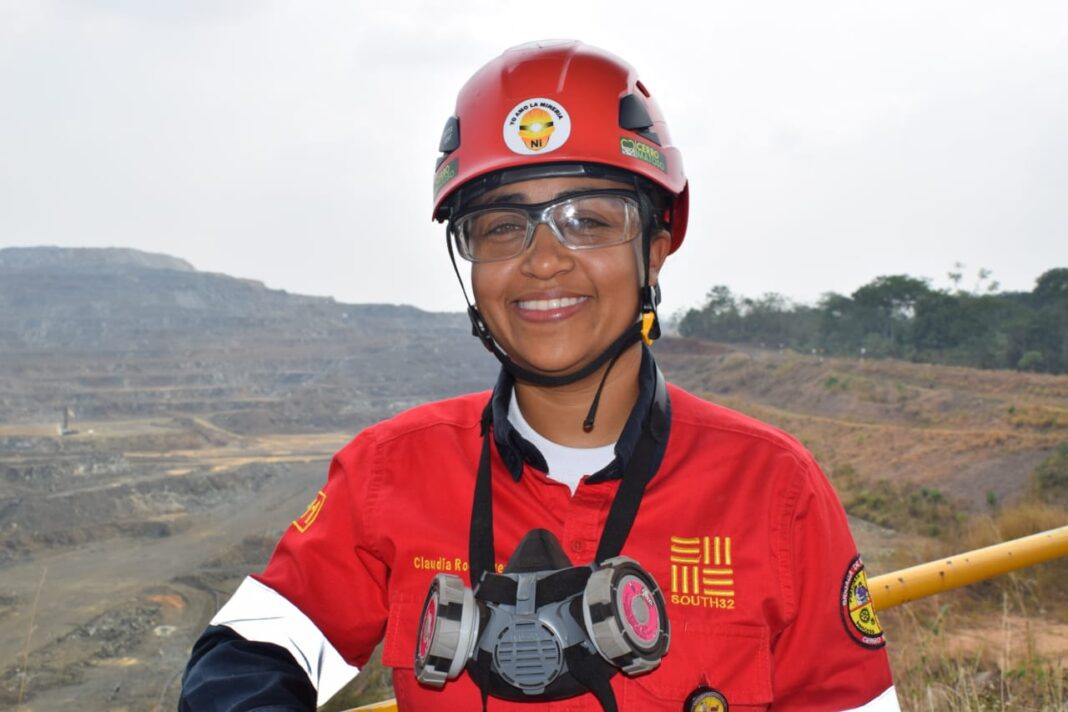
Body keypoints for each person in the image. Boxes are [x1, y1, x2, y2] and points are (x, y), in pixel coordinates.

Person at [180, 40, 899, 711]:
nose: (543, 261)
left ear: (657, 247)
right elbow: (253, 648)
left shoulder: (772, 489)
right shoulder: (389, 473)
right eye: (500, 226)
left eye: (588, 221)